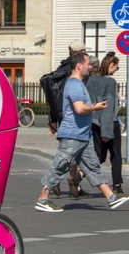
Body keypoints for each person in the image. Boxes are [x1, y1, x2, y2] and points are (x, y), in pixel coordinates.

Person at [35, 52, 129, 212]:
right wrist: (95, 107)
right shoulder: (74, 84)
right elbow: (79, 109)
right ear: (79, 66)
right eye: (87, 63)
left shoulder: (80, 83)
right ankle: (43, 199)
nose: (90, 66)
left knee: (92, 167)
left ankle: (111, 197)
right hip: (73, 135)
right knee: (61, 165)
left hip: (83, 136)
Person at [40, 40, 90, 199]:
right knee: (70, 151)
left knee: (68, 151)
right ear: (79, 52)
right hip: (73, 114)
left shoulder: (61, 68)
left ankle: (69, 182)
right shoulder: (74, 69)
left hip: (64, 114)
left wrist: (54, 119)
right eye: (83, 51)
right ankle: (58, 181)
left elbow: (55, 95)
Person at [86, 51, 123, 194]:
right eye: (116, 66)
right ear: (111, 65)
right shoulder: (110, 82)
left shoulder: (91, 80)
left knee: (99, 154)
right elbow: (109, 107)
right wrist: (107, 131)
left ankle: (78, 176)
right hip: (109, 123)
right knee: (115, 155)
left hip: (94, 121)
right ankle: (117, 185)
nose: (116, 69)